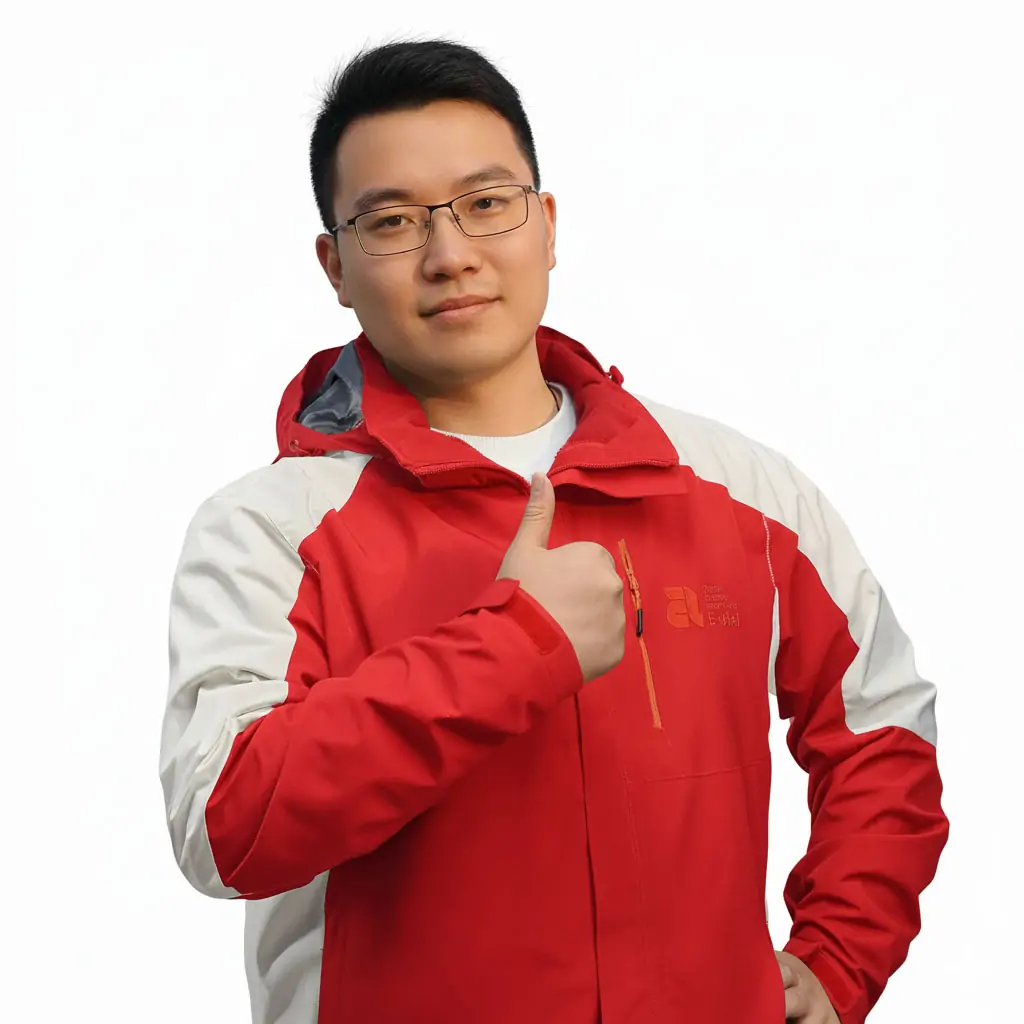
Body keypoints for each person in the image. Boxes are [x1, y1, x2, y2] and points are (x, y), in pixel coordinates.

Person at [158, 38, 948, 1024]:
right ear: (336, 266)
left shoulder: (740, 491)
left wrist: (838, 955)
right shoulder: (273, 530)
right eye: (392, 221)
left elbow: (880, 725)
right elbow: (225, 826)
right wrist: (513, 646)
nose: (451, 254)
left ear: (547, 224)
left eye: (487, 203)